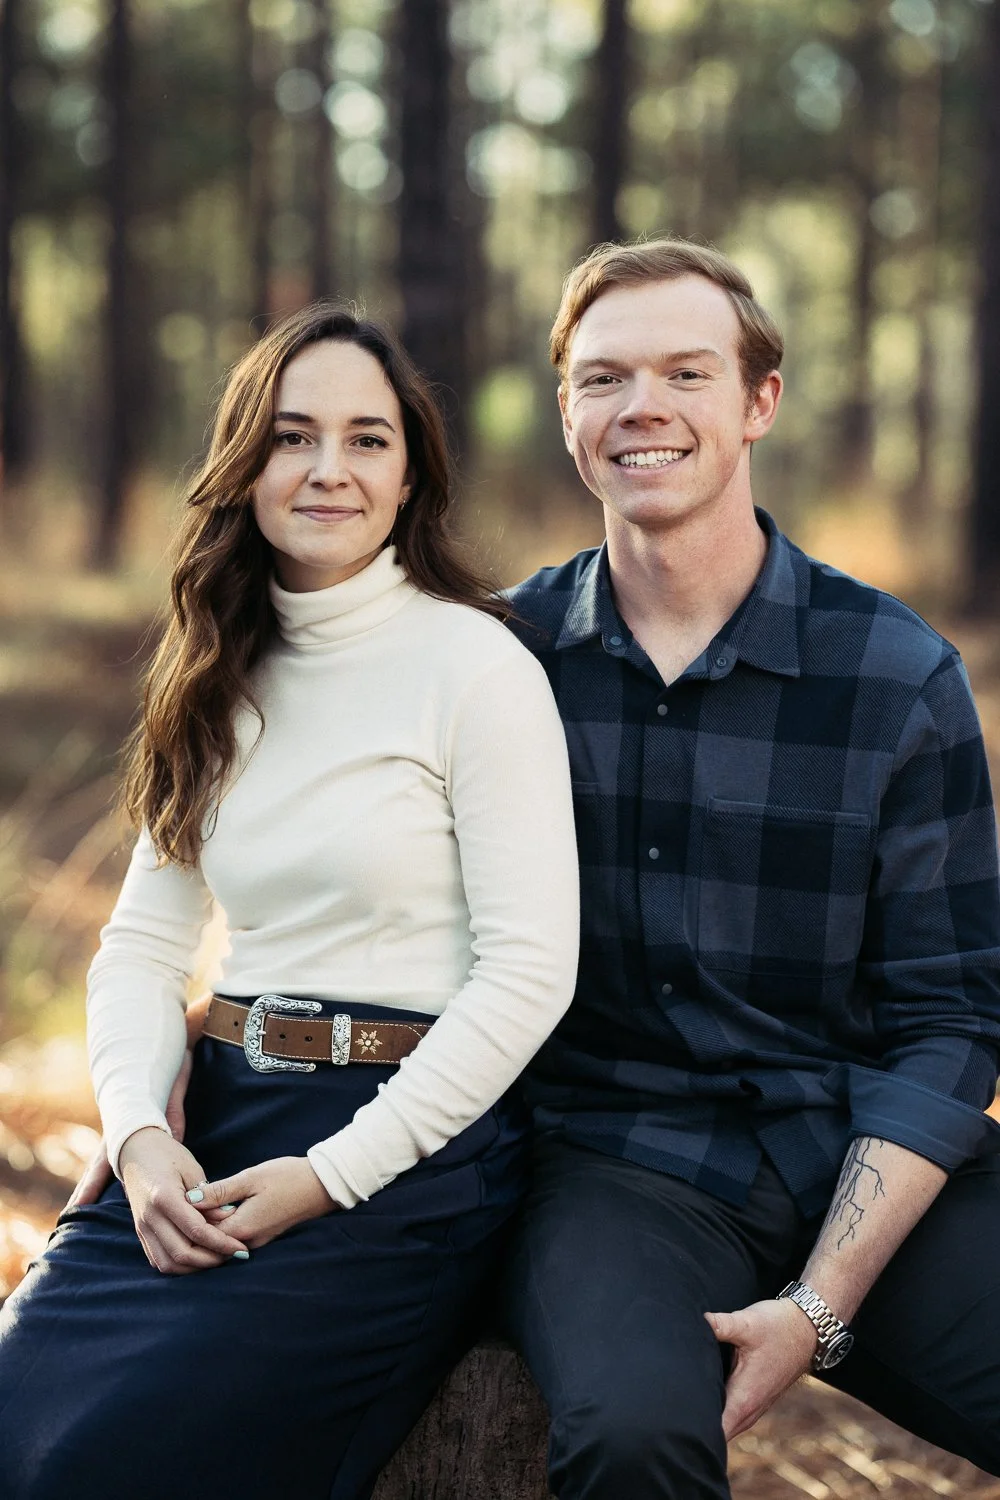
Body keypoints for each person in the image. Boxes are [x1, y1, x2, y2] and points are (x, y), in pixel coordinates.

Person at [0, 304, 580, 1500]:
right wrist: (139, 1133)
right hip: (214, 1123)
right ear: (243, 465)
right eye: (292, 435)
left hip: (405, 1152)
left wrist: (332, 1175)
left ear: (410, 469)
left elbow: (530, 974)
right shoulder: (214, 667)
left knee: (118, 1467)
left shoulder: (478, 668)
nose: (328, 469)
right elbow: (144, 945)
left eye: (367, 439)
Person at [500, 238, 1000, 1498]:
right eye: (603, 378)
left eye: (686, 370)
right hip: (614, 1166)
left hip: (861, 1153)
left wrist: (818, 1306)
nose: (642, 409)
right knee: (629, 1441)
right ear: (567, 411)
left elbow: (950, 1016)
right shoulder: (496, 664)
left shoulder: (893, 675)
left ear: (757, 402)